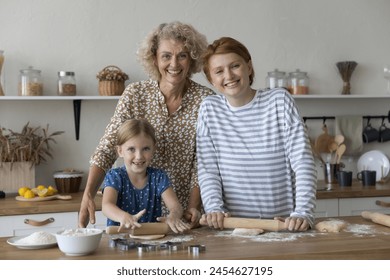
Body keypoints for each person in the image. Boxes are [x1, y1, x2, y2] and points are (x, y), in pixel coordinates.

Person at [78, 21, 214, 228]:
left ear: (192, 58)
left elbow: (204, 162)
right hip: (136, 220)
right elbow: (108, 147)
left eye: (182, 55)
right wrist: (88, 193)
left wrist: (193, 207)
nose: (174, 64)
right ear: (154, 58)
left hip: (184, 217)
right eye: (166, 56)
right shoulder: (135, 94)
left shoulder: (206, 100)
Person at [197, 37, 317, 232]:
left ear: (249, 67)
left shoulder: (279, 101)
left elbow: (302, 161)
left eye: (235, 66)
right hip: (233, 229)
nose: (228, 75)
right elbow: (208, 169)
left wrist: (303, 212)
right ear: (211, 79)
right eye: (219, 71)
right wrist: (213, 209)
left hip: (284, 226)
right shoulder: (209, 109)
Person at [102, 119, 190, 233]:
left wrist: (173, 216)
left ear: (154, 149)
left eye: (146, 149)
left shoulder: (158, 177)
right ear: (120, 151)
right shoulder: (114, 176)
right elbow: (106, 206)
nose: (139, 156)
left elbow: (176, 207)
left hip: (152, 243)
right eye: (131, 149)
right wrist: (124, 217)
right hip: (120, 240)